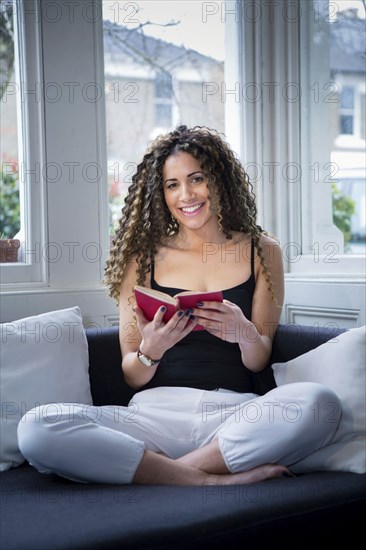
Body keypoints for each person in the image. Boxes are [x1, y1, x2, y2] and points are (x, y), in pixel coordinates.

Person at [18, 125, 341, 486]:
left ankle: (161, 472)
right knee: (37, 425)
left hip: (232, 416)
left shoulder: (262, 251)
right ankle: (206, 480)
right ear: (160, 193)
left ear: (219, 180)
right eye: (172, 184)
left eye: (196, 178)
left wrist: (244, 332)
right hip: (153, 417)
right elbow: (130, 373)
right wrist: (151, 350)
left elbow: (259, 358)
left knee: (321, 403)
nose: (185, 195)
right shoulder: (140, 258)